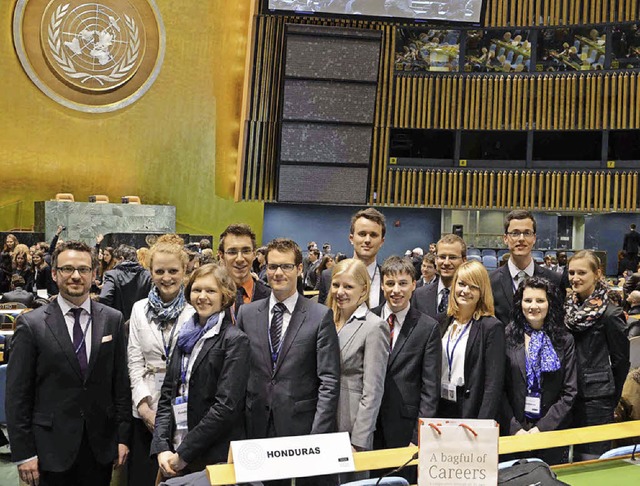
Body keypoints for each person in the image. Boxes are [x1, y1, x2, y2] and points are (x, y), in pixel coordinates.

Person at [6, 241, 131, 486]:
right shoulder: (31, 325)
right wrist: (24, 453)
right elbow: (17, 395)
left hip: (99, 446)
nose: (76, 276)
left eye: (84, 269)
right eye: (67, 269)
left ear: (95, 274)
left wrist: (122, 437)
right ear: (54, 273)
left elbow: (120, 384)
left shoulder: (112, 320)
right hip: (48, 449)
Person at [236, 238, 340, 486]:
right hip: (255, 426)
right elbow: (236, 376)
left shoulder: (319, 316)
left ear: (299, 269)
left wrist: (316, 436)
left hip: (299, 428)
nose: (278, 273)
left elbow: (329, 380)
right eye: (272, 267)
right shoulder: (247, 313)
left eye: (286, 266)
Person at [151, 264, 250, 477]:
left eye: (210, 291)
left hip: (211, 456)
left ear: (225, 296)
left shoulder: (234, 340)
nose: (202, 296)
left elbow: (225, 407)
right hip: (173, 450)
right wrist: (161, 447)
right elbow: (168, 394)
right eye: (197, 290)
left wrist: (185, 454)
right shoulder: (184, 335)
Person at [127, 235, 195, 485]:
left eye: (173, 270)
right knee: (144, 477)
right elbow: (134, 361)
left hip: (183, 408)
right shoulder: (138, 309)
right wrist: (144, 407)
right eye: (160, 271)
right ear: (150, 272)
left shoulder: (195, 310)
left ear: (185, 271)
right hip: (147, 404)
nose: (167, 277)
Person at [372, 256, 441, 484]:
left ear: (414, 284)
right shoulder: (367, 318)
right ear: (382, 285)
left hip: (404, 429)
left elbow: (430, 389)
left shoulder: (428, 327)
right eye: (390, 283)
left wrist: (419, 436)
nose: (396, 290)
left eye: (403, 283)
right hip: (367, 427)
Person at [502, 277, 577, 465]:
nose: (533, 306)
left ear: (550, 303)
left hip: (551, 434)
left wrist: (541, 429)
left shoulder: (564, 340)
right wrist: (515, 429)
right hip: (514, 435)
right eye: (528, 300)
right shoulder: (506, 336)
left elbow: (569, 392)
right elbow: (498, 389)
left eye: (540, 300)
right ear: (520, 304)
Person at [564, 250, 630, 459]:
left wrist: (613, 399)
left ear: (598, 273)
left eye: (582, 272)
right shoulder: (566, 309)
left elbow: (621, 362)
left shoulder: (611, 314)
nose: (575, 278)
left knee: (590, 460)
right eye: (571, 272)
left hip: (597, 398)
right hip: (566, 394)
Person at [326, 259, 389, 462]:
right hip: (322, 422)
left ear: (363, 290)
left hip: (351, 427)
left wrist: (359, 440)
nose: (340, 292)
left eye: (348, 286)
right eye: (336, 285)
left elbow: (373, 391)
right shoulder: (325, 320)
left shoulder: (374, 327)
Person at [439, 260, 505, 421]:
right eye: (461, 284)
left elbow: (493, 384)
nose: (465, 291)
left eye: (473, 286)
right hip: (440, 405)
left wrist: (482, 424)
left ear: (482, 291)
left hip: (470, 409)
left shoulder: (491, 327)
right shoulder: (441, 321)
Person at [491, 210, 562, 326]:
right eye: (515, 233)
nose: (521, 239)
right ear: (505, 238)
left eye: (527, 233)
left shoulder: (554, 280)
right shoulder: (491, 282)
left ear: (534, 238)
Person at [318, 208, 386, 306]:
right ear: (351, 238)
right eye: (362, 234)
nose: (367, 240)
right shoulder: (328, 276)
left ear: (381, 242)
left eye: (373, 235)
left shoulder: (388, 279)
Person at [217, 224, 270, 317]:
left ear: (254, 254)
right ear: (221, 256)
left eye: (246, 251)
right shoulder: (211, 297)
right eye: (232, 252)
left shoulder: (271, 298)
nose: (240, 259)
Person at [413, 234, 467, 325]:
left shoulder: (470, 297)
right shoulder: (419, 295)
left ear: (464, 260)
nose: (446, 262)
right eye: (442, 257)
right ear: (435, 260)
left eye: (452, 257)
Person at [99, 244, 152, 321]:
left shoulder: (112, 275)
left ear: (121, 259)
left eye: (115, 261)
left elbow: (104, 297)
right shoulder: (148, 275)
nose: (115, 264)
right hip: (142, 322)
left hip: (118, 324)